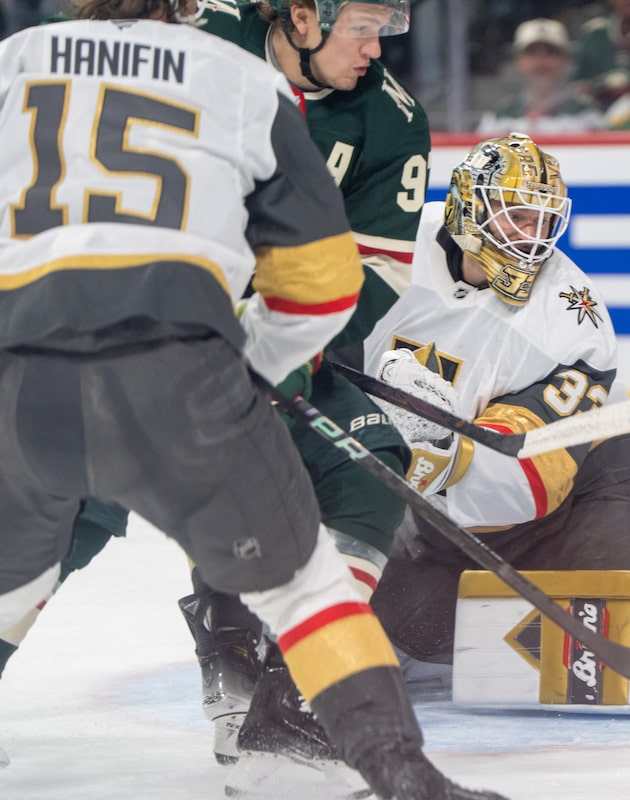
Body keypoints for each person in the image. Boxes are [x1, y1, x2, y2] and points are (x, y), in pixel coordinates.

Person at [0, 1, 504, 798]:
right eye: (363, 26)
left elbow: (378, 278)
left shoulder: (23, 53)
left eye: (390, 28)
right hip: (204, 358)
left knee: (368, 463)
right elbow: (326, 283)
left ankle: (287, 707)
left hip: (43, 347)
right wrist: (259, 362)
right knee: (133, 523)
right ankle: (377, 755)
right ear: (302, 15)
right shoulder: (227, 63)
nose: (378, 49)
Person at [356, 133, 630, 672]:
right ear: (469, 210)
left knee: (588, 640)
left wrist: (447, 456)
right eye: (517, 216)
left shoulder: (573, 317)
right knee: (421, 630)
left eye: (545, 221)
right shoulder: (386, 243)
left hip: (583, 488)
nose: (534, 238)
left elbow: (537, 474)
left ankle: (602, 596)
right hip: (441, 508)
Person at [476, 17, 604, 135]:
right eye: (531, 53)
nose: (541, 61)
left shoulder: (586, 116)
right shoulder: (499, 117)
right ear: (518, 61)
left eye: (551, 52)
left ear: (567, 60)